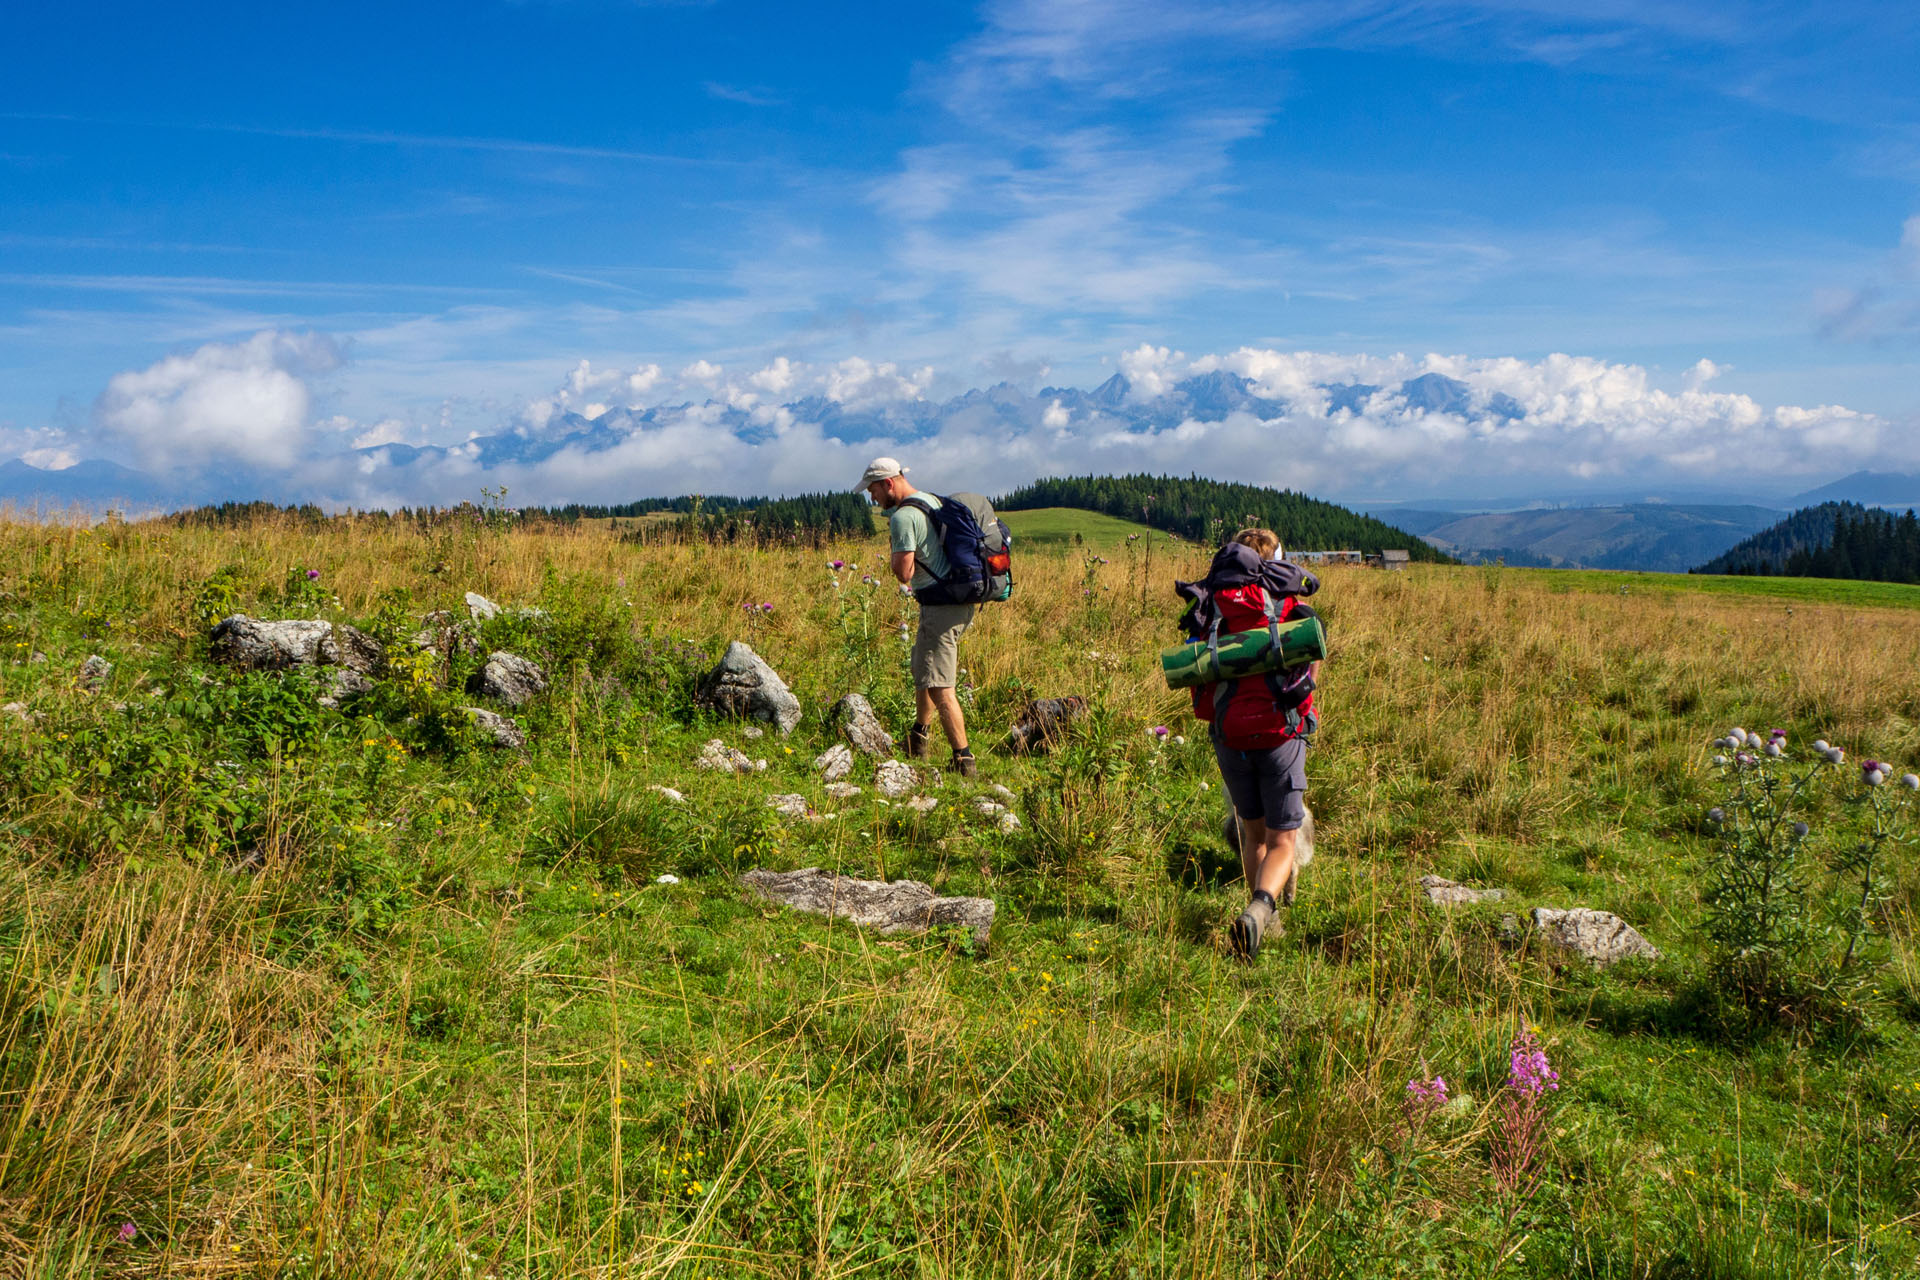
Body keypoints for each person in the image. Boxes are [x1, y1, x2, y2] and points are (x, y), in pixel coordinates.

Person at [1177, 527, 1322, 961]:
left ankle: (1260, 914)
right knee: (1282, 841)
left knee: (1251, 833)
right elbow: (1309, 672)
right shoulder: (1286, 604)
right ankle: (1262, 910)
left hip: (1229, 739)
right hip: (1280, 736)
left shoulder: (1212, 607)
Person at [855, 456, 981, 778]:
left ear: (888, 484)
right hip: (958, 600)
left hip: (940, 608)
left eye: (873, 491)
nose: (873, 498)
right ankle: (918, 737)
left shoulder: (903, 517)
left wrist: (896, 553)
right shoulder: (931, 500)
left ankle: (963, 760)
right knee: (925, 668)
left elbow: (903, 574)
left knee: (940, 686)